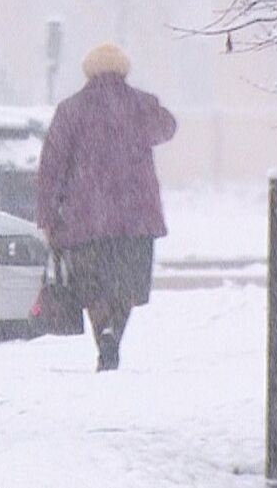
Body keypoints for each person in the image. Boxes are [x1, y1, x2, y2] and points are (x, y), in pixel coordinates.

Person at [35, 42, 177, 371]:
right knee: (125, 285)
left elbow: (51, 167)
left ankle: (104, 337)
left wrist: (47, 215)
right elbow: (168, 128)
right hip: (135, 218)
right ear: (123, 70)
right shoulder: (141, 105)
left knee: (94, 288)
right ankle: (115, 332)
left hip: (85, 220)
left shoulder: (71, 110)